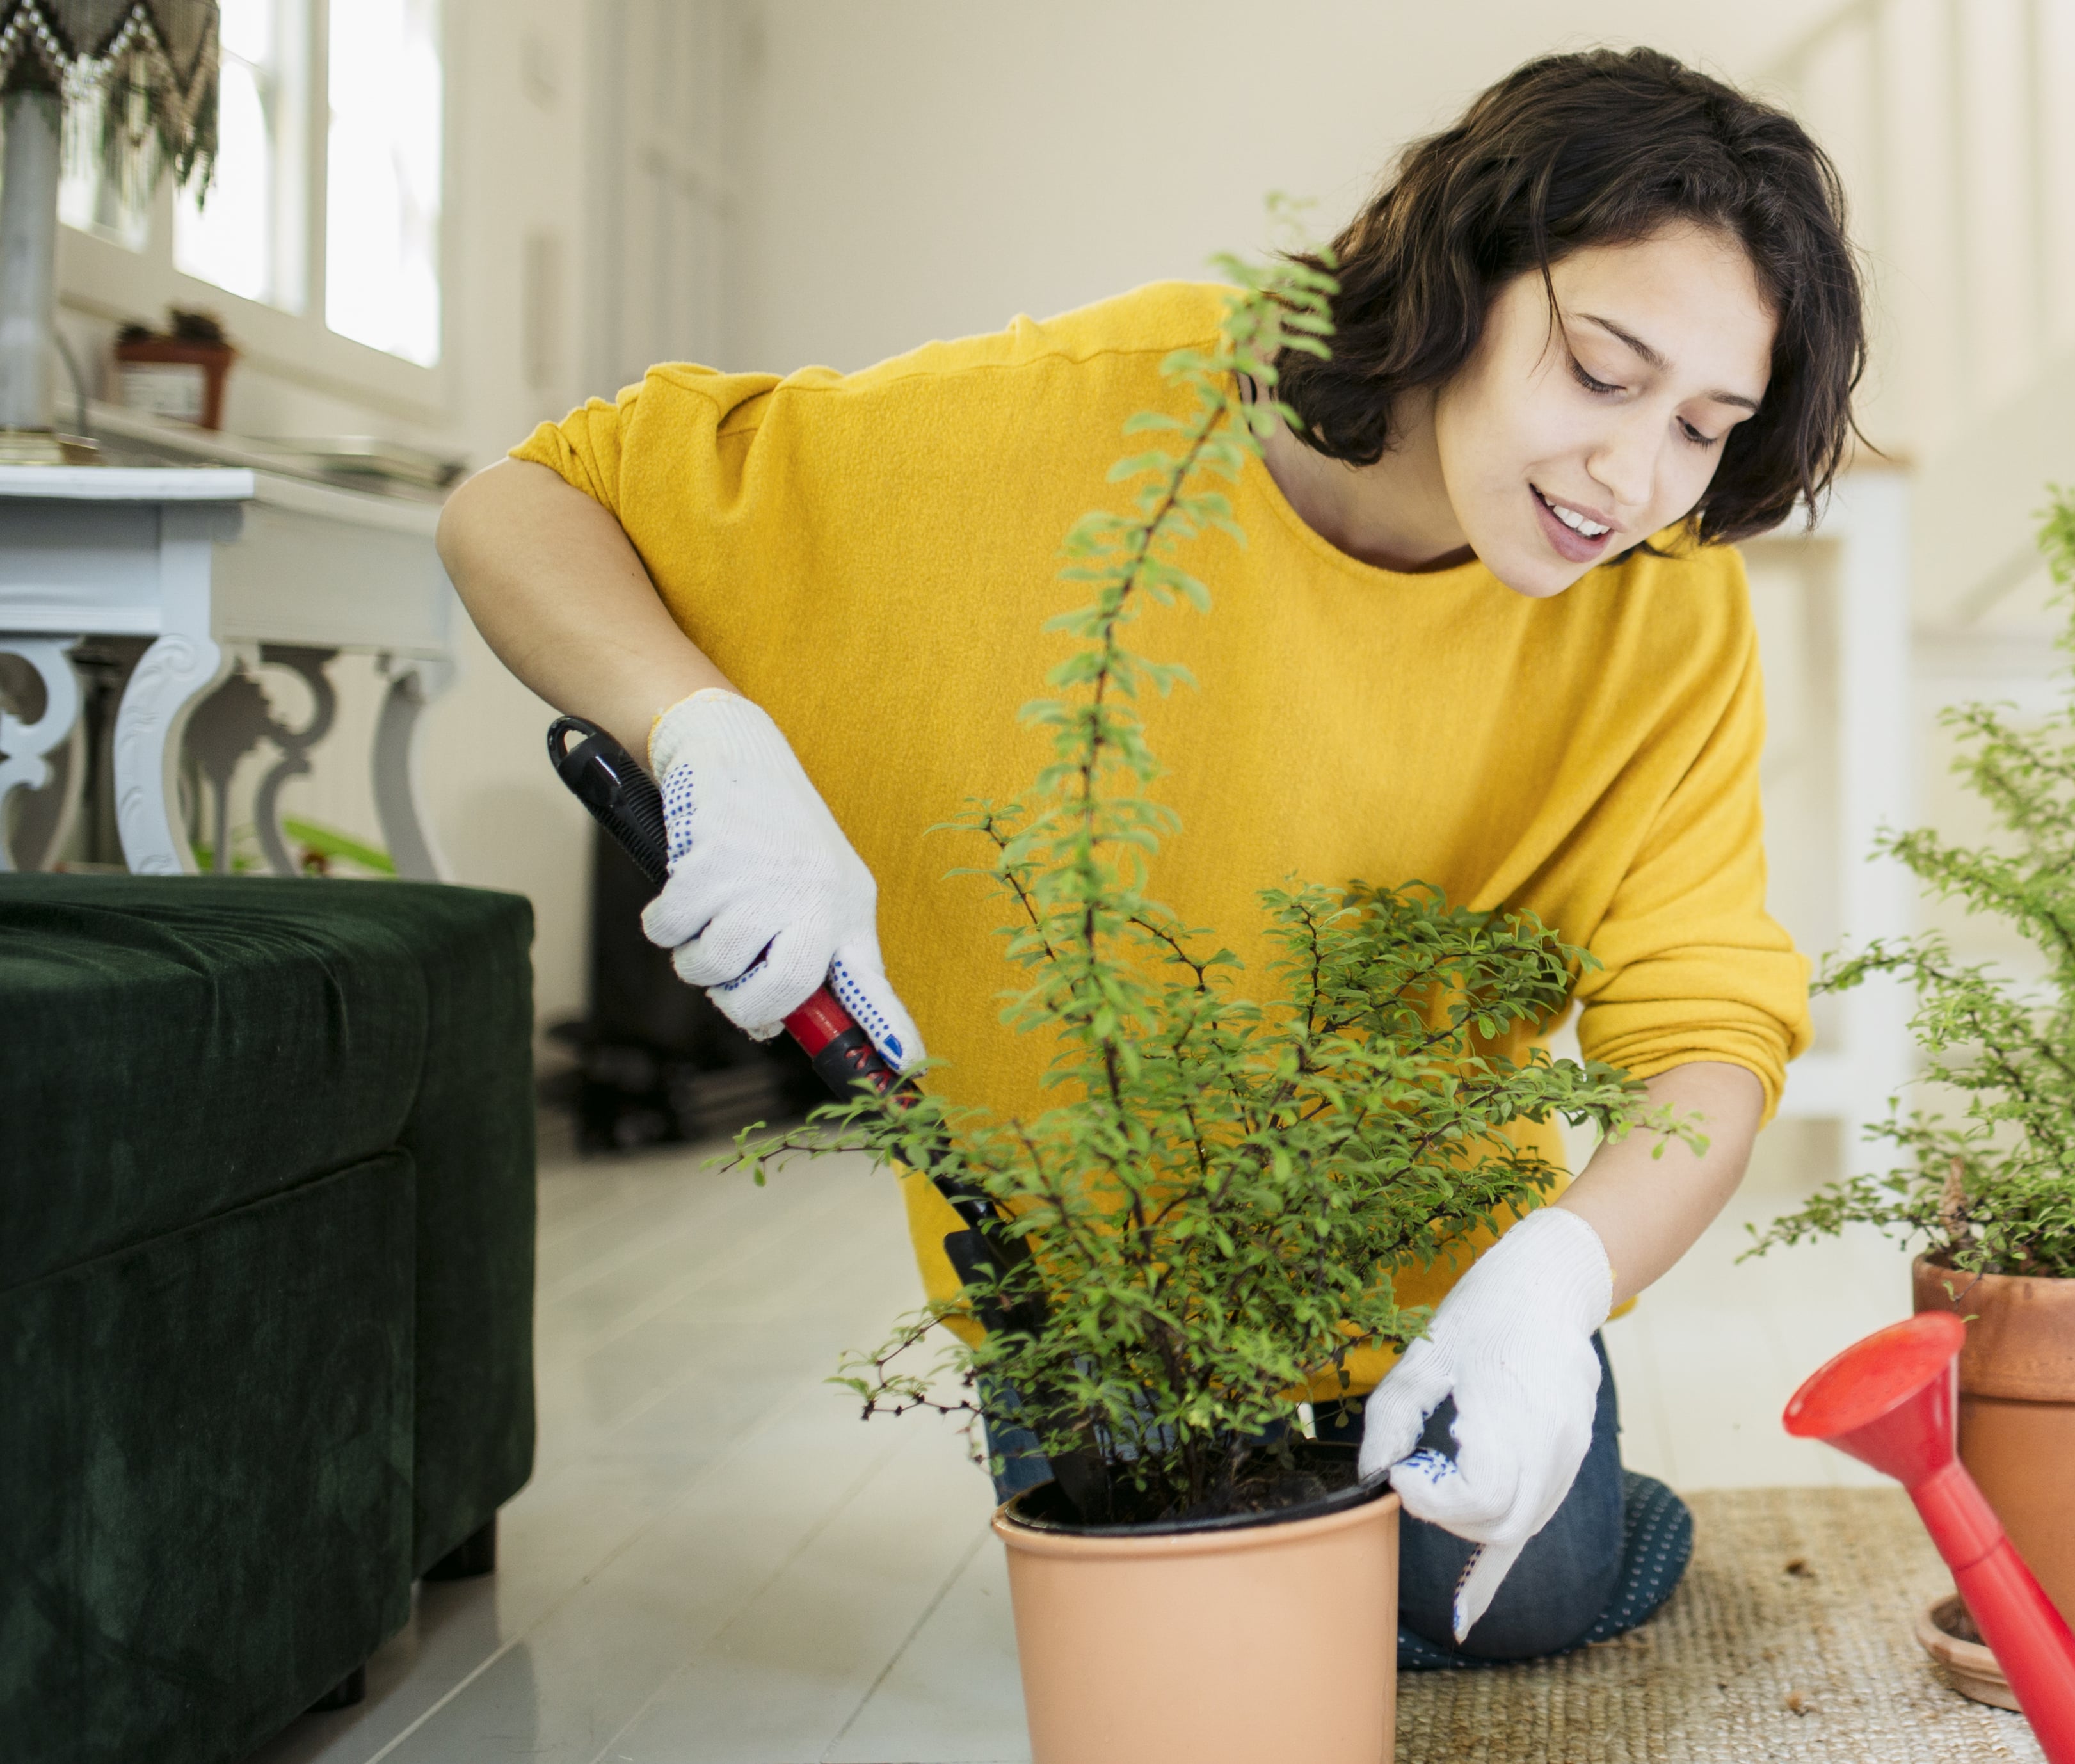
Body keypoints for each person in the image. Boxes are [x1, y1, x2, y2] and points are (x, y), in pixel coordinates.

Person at [437, 48, 1863, 1666]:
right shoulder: (1082, 424)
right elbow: (520, 502)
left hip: (1443, 1280)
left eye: (1704, 425)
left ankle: (1589, 1485)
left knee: (1510, 1602)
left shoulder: (1664, 606)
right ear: (1459, 269)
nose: (1636, 477)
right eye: (1603, 369)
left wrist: (1560, 1275)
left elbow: (1706, 1025)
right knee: (1203, 1633)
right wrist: (699, 730)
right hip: (1103, 1301)